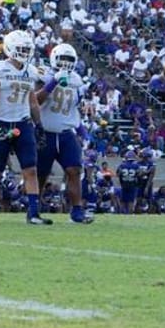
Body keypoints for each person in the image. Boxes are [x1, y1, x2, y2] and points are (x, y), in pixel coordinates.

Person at [0, 29, 53, 226]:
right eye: (21, 48)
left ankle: (33, 213)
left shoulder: (30, 71)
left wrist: (39, 125)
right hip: (3, 122)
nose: (24, 52)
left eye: (26, 48)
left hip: (23, 123)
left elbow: (33, 102)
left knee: (30, 169)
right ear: (10, 47)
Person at [35, 43, 93, 223]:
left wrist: (82, 130)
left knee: (74, 170)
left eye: (69, 60)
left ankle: (76, 212)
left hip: (67, 133)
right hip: (46, 132)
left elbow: (73, 109)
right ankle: (34, 209)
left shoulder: (76, 80)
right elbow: (35, 100)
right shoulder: (44, 75)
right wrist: (53, 82)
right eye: (62, 59)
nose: (65, 64)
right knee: (42, 174)